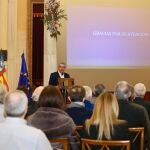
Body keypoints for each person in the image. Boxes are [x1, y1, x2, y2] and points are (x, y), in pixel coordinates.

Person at [115, 81, 150, 149]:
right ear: (130, 94)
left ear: (115, 93)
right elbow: (147, 133)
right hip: (137, 147)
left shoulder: (109, 110)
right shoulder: (140, 110)